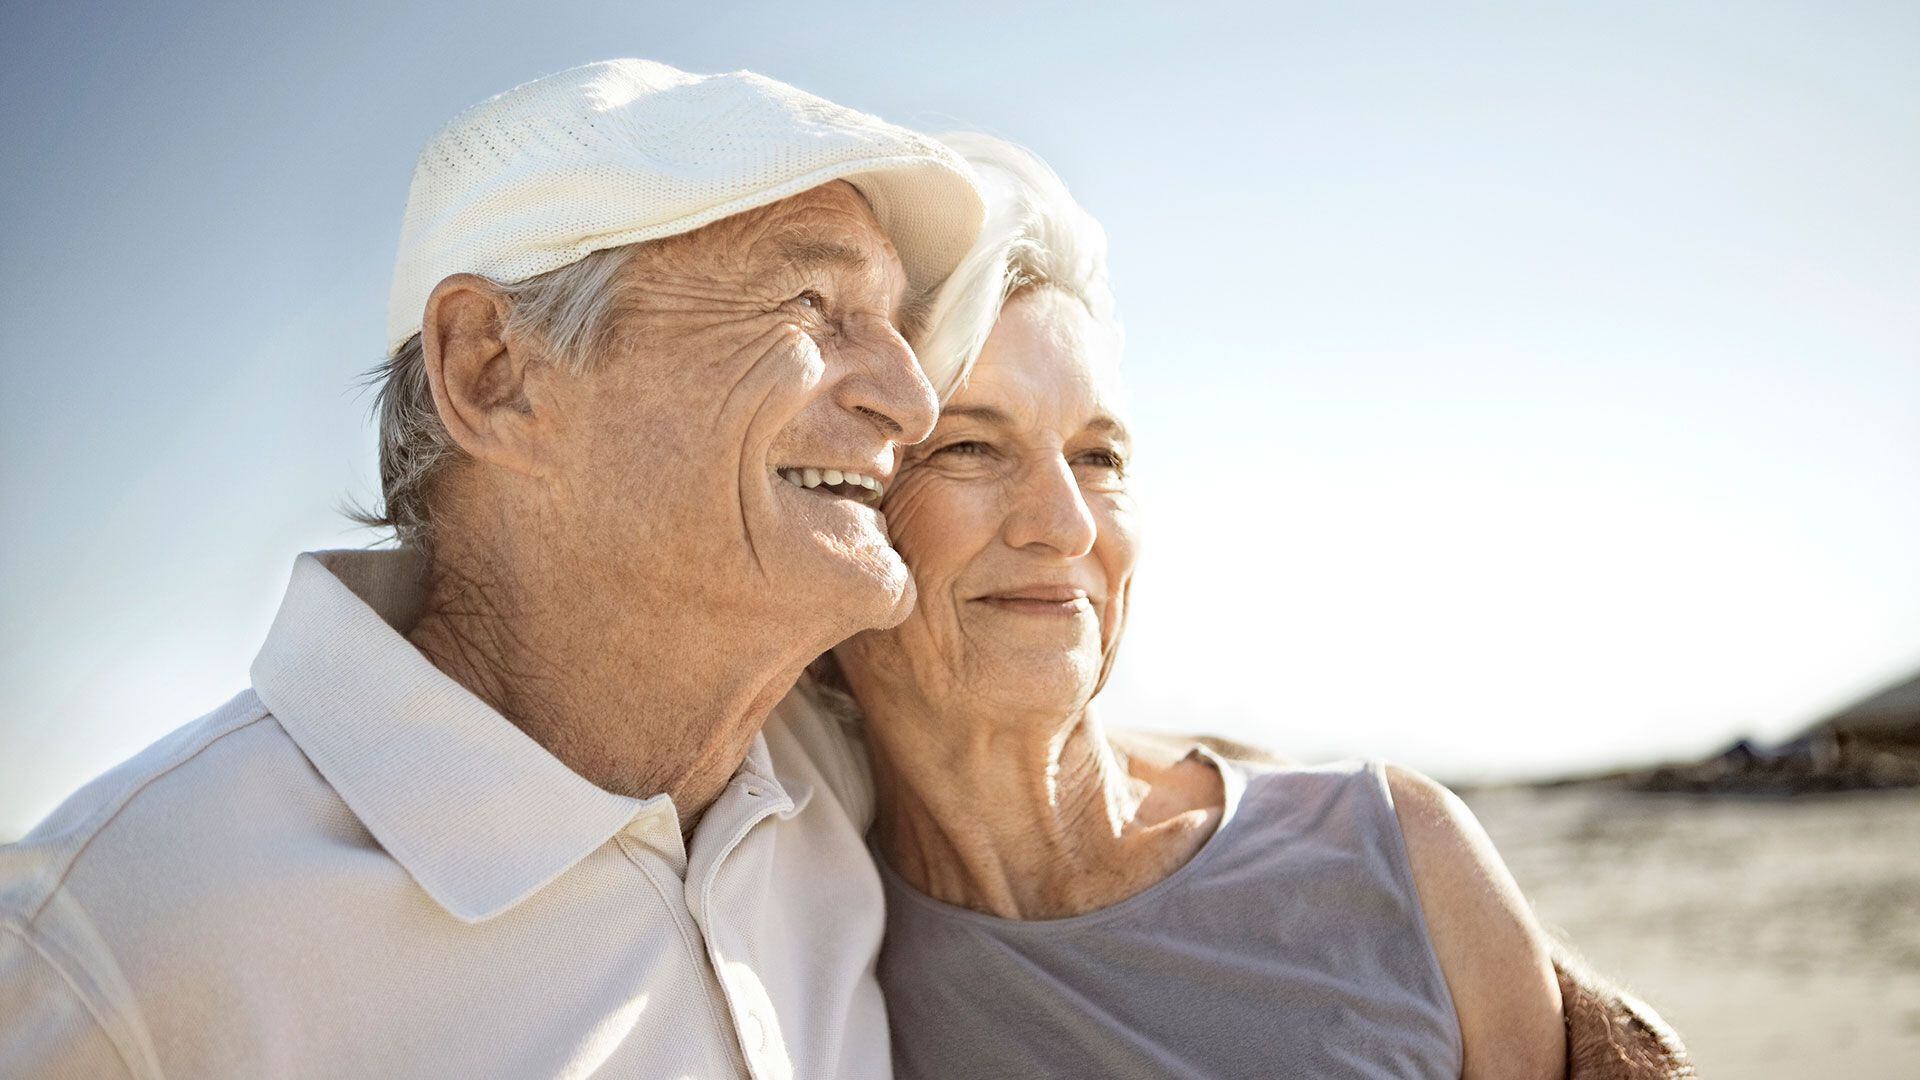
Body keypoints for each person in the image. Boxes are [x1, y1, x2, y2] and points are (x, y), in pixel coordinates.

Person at [0, 59, 981, 1079]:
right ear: (494, 374)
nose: (914, 403)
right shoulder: (116, 943)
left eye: (896, 327)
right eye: (810, 300)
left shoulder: (838, 789)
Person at [820, 134, 1569, 1079]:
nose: (1065, 524)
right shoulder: (798, 955)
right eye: (970, 447)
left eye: (1100, 459)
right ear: (846, 509)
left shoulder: (1400, 855)